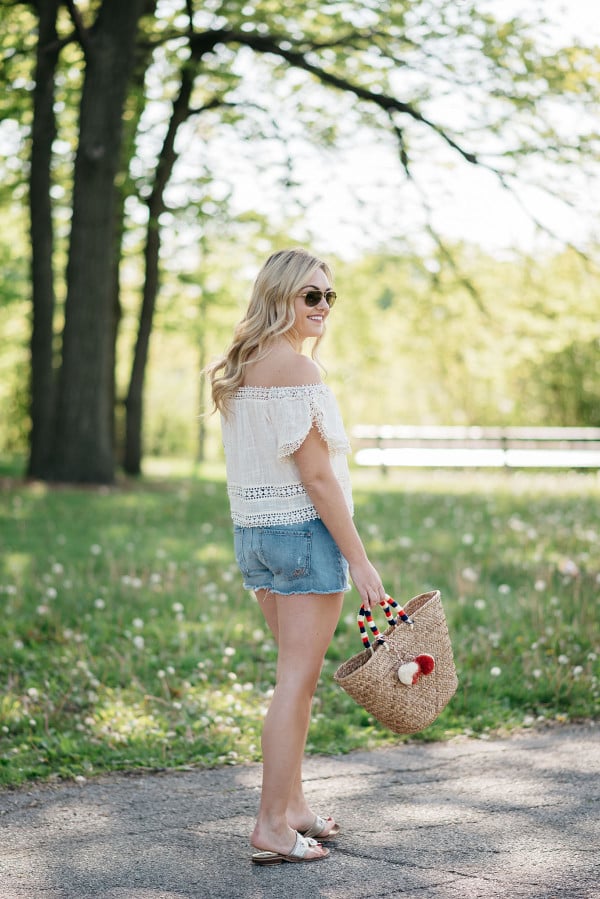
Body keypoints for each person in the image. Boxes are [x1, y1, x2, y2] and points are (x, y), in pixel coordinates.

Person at [207, 247, 386, 865]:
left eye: (328, 296)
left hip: (256, 537)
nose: (322, 307)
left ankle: (295, 808)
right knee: (295, 685)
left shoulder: (241, 365)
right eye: (311, 295)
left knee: (294, 684)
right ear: (279, 295)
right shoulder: (300, 374)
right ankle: (271, 826)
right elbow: (317, 478)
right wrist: (359, 560)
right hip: (303, 536)